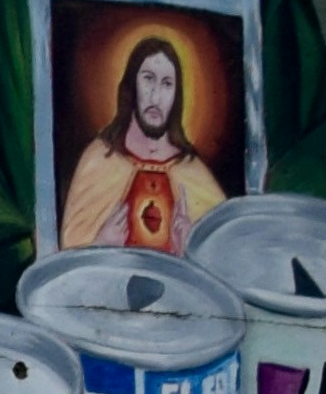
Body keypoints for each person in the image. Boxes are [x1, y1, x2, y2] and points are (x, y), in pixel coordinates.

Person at [61, 30, 228, 253]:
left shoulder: (192, 171)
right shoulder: (100, 159)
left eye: (167, 84)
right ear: (132, 85)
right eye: (148, 79)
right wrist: (100, 245)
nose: (156, 96)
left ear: (176, 95)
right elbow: (68, 253)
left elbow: (224, 253)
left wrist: (191, 249)